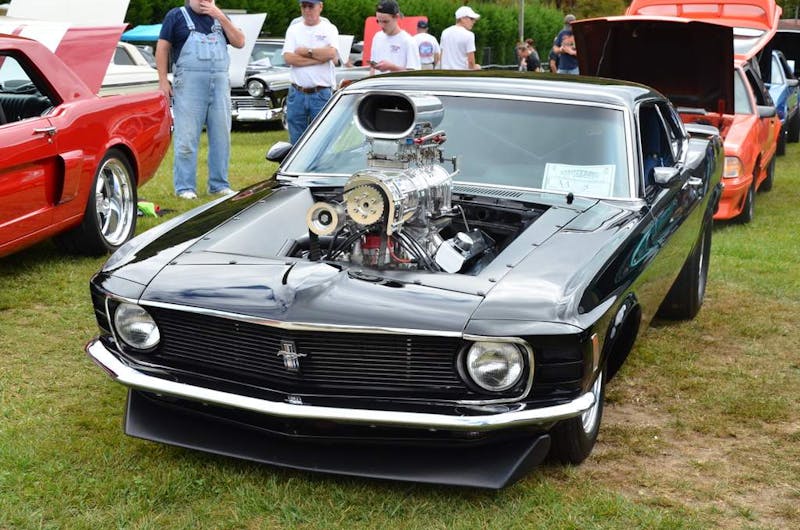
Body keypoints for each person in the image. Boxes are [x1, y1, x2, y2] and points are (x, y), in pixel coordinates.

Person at [157, 0, 245, 199]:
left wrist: (220, 16)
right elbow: (162, 48)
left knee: (221, 137)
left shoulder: (219, 17)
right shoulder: (176, 16)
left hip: (220, 85)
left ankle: (219, 185)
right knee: (186, 137)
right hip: (189, 85)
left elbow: (240, 42)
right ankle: (185, 188)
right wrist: (163, 80)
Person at [282, 0, 339, 145]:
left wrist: (306, 51)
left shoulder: (329, 29)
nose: (307, 10)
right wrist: (318, 59)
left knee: (321, 138)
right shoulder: (294, 29)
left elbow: (331, 53)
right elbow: (288, 58)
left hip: (320, 92)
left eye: (311, 6)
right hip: (297, 92)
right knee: (296, 139)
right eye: (304, 6)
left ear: (320, 7)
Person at [369, 0, 421, 74]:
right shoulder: (377, 37)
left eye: (385, 21)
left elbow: (414, 74)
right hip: (378, 85)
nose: (381, 26)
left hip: (397, 85)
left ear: (396, 17)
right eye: (378, 21)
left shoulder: (408, 41)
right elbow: (373, 69)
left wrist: (392, 67)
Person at [440, 5, 481, 70]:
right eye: (471, 19)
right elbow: (471, 63)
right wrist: (476, 67)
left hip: (446, 75)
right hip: (461, 75)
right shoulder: (469, 35)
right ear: (462, 18)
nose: (474, 22)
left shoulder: (445, 32)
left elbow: (442, 55)